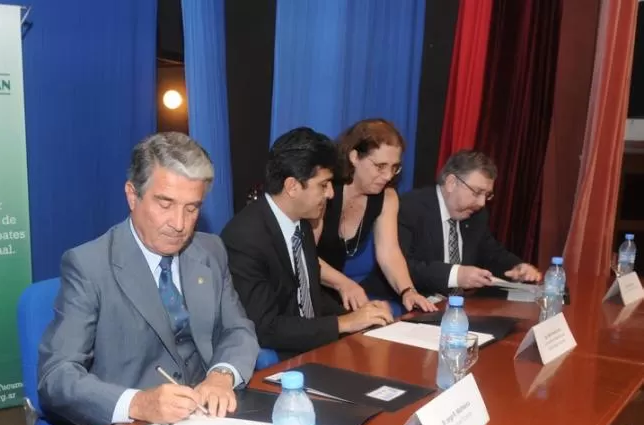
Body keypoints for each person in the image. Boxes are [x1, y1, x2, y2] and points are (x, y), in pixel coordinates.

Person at [38, 132, 259, 425]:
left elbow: (238, 330)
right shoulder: (89, 266)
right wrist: (138, 403)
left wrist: (222, 374)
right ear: (132, 196)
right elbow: (56, 376)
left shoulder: (210, 251)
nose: (179, 224)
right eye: (165, 204)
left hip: (209, 423)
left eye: (191, 208)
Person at [222, 127, 393, 360]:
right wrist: (344, 322)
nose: (331, 194)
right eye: (323, 185)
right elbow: (265, 328)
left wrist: (361, 315)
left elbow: (308, 295)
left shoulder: (301, 223)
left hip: (314, 345)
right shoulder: (245, 238)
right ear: (292, 186)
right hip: (283, 359)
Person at [315, 118, 435, 314]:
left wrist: (408, 291)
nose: (388, 176)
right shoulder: (325, 190)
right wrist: (345, 284)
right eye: (380, 166)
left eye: (394, 167)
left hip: (338, 290)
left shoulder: (387, 197)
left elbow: (389, 252)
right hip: (303, 288)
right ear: (354, 156)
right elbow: (304, 256)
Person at [398, 150, 541, 294]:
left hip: (457, 308)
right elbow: (402, 266)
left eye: (487, 195)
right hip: (412, 304)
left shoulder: (476, 215)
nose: (481, 203)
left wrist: (517, 267)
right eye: (477, 192)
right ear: (451, 183)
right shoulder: (410, 208)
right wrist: (456, 275)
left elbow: (491, 253)